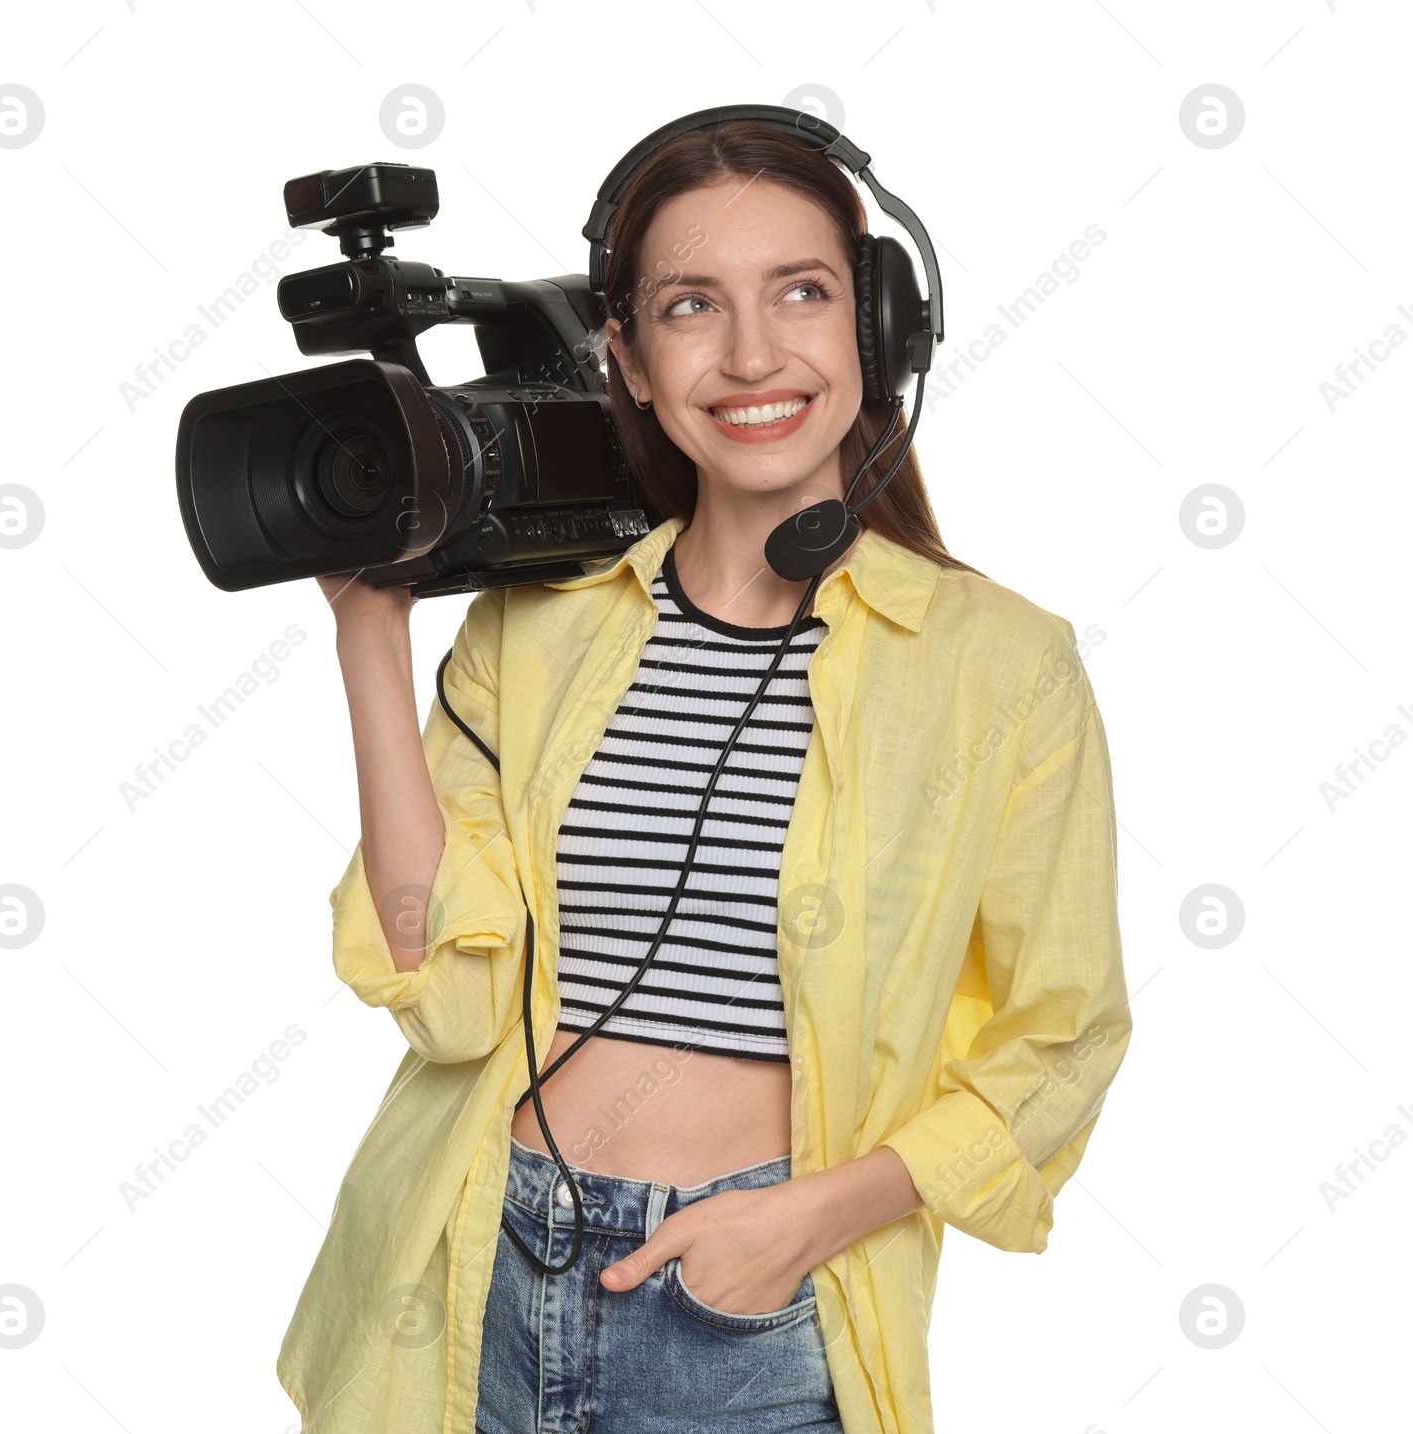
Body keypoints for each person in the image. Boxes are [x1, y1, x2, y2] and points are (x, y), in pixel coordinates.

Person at [278, 121, 1132, 1434]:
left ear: (883, 325)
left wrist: (808, 1219)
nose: (750, 355)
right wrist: (371, 639)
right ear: (629, 351)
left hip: (755, 1315)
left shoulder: (1000, 669)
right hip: (478, 1260)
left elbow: (1060, 1038)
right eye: (691, 305)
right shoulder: (536, 630)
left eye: (802, 290)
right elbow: (440, 997)